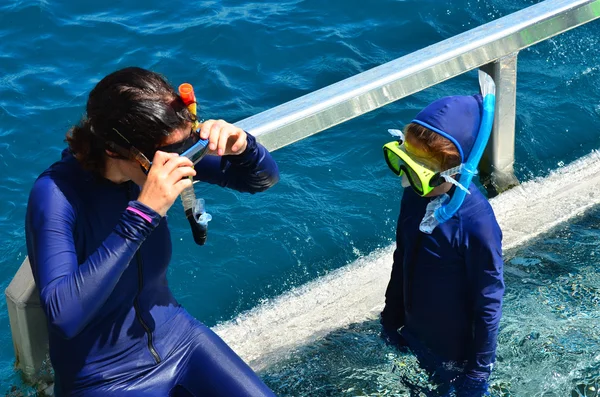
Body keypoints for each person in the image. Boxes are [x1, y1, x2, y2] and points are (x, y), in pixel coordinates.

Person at [25, 67, 280, 397]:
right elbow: (64, 316)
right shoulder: (56, 194)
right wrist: (142, 214)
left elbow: (261, 179)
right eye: (173, 154)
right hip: (103, 377)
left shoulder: (159, 158)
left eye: (187, 148)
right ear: (116, 150)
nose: (182, 163)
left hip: (179, 339)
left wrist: (243, 147)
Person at [379, 94, 504, 397]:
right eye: (403, 163)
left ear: (452, 168)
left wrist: (477, 371)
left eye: (418, 172)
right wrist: (391, 317)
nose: (407, 180)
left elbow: (489, 300)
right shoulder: (415, 195)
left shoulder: (477, 224)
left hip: (454, 355)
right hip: (413, 330)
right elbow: (403, 256)